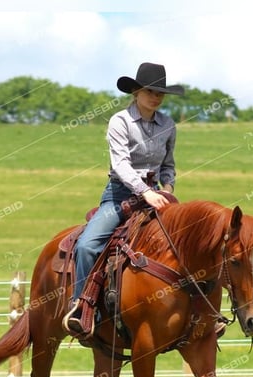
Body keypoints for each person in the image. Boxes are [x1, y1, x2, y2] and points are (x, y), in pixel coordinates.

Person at [63, 62, 185, 337]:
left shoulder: (168, 124)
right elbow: (121, 164)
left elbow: (169, 164)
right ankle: (81, 307)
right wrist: (145, 192)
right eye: (150, 91)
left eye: (160, 93)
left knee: (189, 240)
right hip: (121, 196)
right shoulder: (120, 122)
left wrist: (168, 187)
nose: (156, 97)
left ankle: (197, 312)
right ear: (136, 92)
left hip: (158, 195)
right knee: (86, 245)